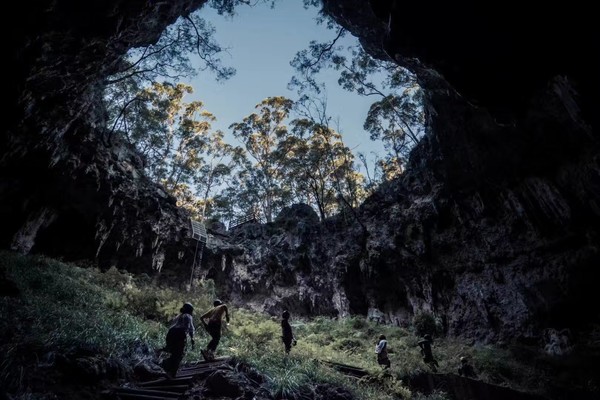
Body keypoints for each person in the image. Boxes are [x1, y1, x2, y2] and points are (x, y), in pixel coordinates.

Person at [162, 302, 195, 378]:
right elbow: (190, 328)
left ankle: (167, 367)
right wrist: (192, 340)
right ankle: (172, 372)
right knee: (179, 354)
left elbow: (171, 327)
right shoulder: (188, 316)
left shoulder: (178, 316)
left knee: (173, 352)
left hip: (171, 333)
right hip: (179, 333)